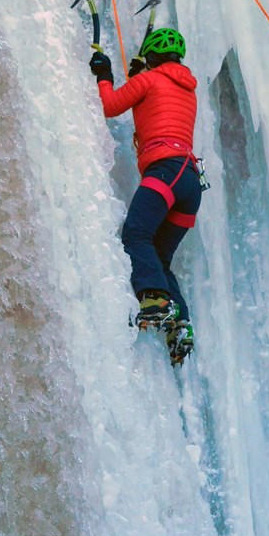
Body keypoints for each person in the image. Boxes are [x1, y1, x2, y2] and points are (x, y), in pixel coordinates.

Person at [89, 27, 202, 359]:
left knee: (136, 233)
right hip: (189, 180)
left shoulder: (149, 80)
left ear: (151, 57)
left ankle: (154, 298)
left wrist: (104, 73)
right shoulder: (187, 89)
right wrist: (141, 75)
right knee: (158, 256)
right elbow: (156, 105)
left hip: (164, 173)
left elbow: (110, 105)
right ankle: (179, 323)